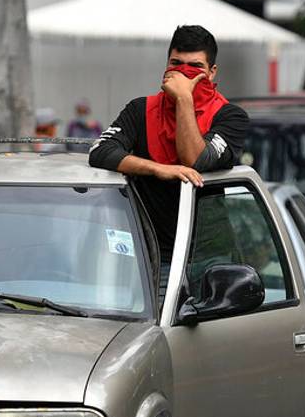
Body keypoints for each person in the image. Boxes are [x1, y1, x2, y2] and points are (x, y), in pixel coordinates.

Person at [89, 25, 249, 258]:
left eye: (194, 67)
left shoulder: (230, 116)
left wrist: (184, 98)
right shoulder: (140, 110)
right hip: (148, 253)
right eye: (176, 64)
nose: (183, 73)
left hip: (208, 256)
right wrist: (157, 169)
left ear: (212, 72)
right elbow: (100, 151)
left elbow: (195, 159)